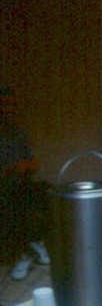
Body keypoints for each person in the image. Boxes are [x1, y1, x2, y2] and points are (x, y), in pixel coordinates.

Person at [0, 86, 51, 280]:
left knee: (46, 191)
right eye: (3, 105)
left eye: (11, 105)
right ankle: (25, 253)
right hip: (5, 186)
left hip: (19, 184)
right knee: (15, 198)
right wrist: (13, 168)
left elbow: (31, 162)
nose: (8, 109)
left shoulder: (17, 134)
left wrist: (27, 165)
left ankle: (35, 243)